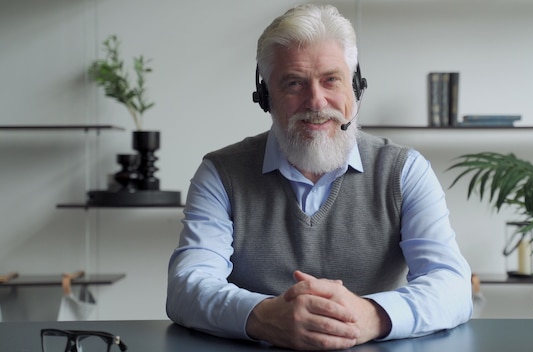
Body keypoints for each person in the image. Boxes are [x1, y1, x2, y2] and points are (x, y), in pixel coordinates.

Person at [166, 3, 472, 350]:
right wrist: (265, 317)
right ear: (265, 96)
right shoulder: (221, 174)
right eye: (294, 83)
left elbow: (453, 285)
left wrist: (372, 315)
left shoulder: (404, 170)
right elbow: (186, 286)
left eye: (331, 79)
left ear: (355, 87)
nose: (316, 101)